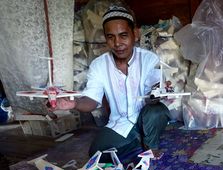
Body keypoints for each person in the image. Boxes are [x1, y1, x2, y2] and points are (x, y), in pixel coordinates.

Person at [53, 5, 170, 161]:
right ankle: (138, 142)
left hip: (146, 117)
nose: (117, 43)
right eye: (111, 37)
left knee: (157, 112)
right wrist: (73, 103)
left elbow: (156, 84)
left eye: (123, 35)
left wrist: (158, 91)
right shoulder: (98, 65)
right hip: (120, 123)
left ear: (135, 34)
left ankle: (150, 146)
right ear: (106, 38)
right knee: (96, 155)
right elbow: (91, 100)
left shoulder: (149, 59)